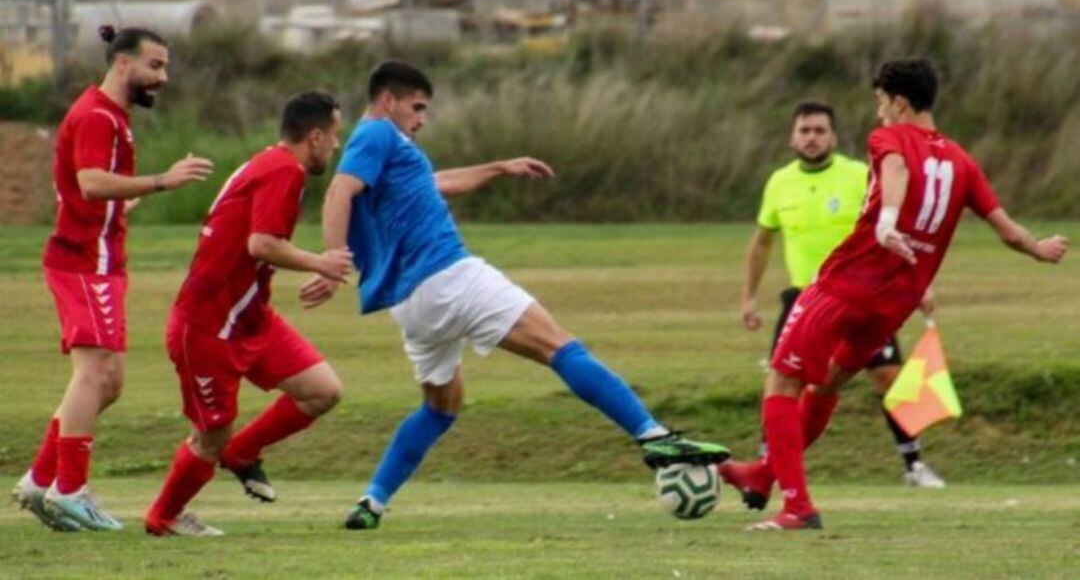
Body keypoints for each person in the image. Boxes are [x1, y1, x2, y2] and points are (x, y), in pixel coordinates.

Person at [301, 60, 730, 531]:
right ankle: (654, 436)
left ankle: (372, 502)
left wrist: (499, 167)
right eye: (416, 107)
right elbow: (339, 192)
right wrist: (332, 258)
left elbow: (434, 184)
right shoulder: (377, 134)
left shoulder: (392, 150)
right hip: (449, 276)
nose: (422, 118)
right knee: (562, 347)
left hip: (412, 306)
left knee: (440, 409)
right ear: (387, 102)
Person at [731, 58, 1067, 531]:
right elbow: (1006, 229)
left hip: (845, 284)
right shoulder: (961, 160)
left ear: (900, 102)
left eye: (881, 103)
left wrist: (888, 222)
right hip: (893, 305)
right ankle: (763, 474)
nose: (879, 114)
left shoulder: (887, 139)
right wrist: (1039, 248)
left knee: (782, 385)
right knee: (826, 384)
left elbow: (896, 172)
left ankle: (797, 507)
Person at [11, 25, 213, 532]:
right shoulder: (98, 115)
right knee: (94, 372)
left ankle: (41, 479)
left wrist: (134, 195)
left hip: (101, 260)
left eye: (164, 66)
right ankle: (70, 489)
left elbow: (100, 189)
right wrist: (164, 180)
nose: (162, 77)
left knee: (110, 382)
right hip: (82, 261)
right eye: (155, 66)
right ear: (123, 64)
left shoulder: (111, 116)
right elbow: (91, 183)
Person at [142, 92, 353, 537]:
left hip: (249, 316)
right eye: (334, 137)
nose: (335, 147)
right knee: (209, 437)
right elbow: (262, 244)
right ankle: (163, 518)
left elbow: (254, 247)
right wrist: (321, 263)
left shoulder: (269, 163)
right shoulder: (284, 172)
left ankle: (242, 452)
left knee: (322, 390)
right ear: (314, 136)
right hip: (208, 325)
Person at [730, 100, 944, 502]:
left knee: (887, 377)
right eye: (805, 131)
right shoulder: (779, 182)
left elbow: (898, 225)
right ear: (792, 137)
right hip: (801, 299)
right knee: (782, 381)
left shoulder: (860, 175)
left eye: (819, 131)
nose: (812, 138)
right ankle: (767, 463)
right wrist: (748, 297)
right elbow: (762, 241)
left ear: (833, 136)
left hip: (861, 296)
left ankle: (914, 463)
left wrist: (920, 285)